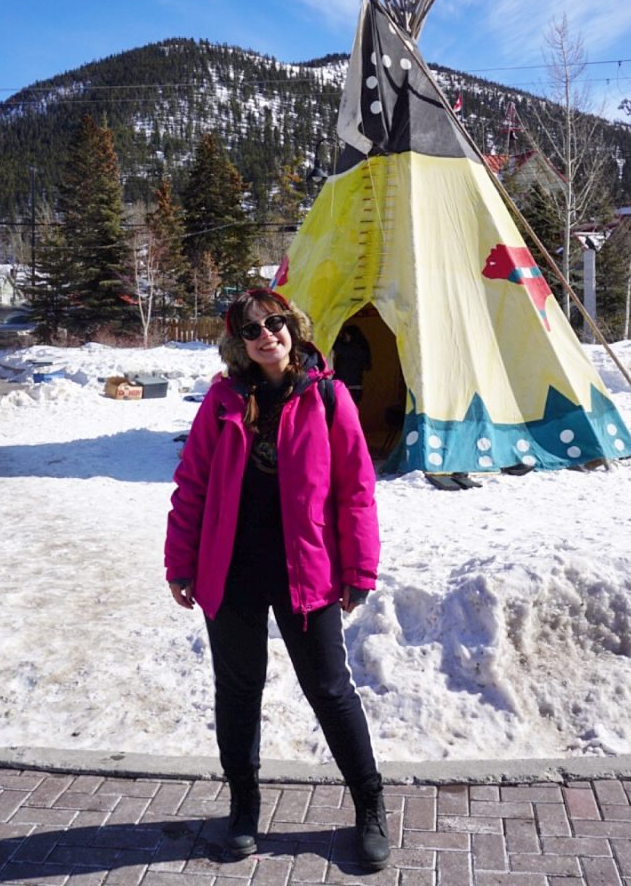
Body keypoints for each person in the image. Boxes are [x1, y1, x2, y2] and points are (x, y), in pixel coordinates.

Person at [165, 288, 389, 868]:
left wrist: (359, 568)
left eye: (276, 322)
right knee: (238, 693)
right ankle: (243, 809)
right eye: (252, 328)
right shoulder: (222, 401)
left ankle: (369, 806)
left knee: (330, 691)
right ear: (238, 342)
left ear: (294, 326)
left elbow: (356, 492)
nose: (268, 334)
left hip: (306, 570)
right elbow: (192, 484)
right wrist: (180, 562)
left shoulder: (329, 397)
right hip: (230, 571)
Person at [332, 324, 372, 407]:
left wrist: (333, 334)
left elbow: (338, 347)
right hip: (354, 388)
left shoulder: (355, 349)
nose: (344, 337)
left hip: (349, 388)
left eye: (345, 335)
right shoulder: (361, 348)